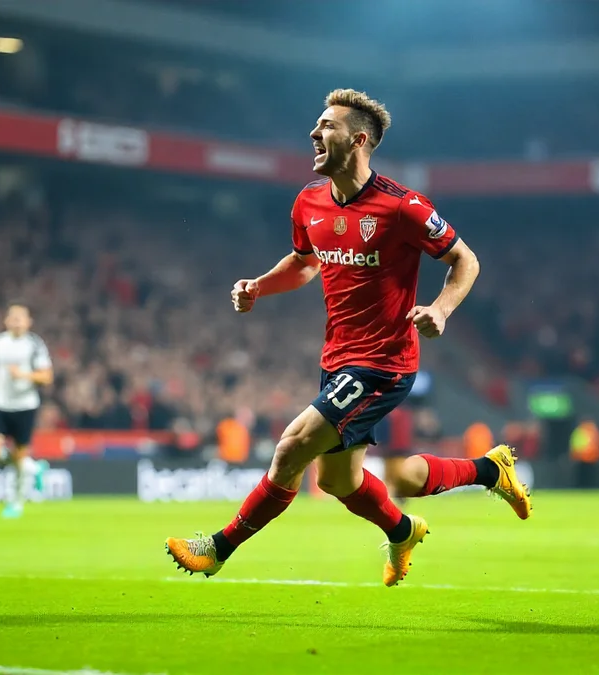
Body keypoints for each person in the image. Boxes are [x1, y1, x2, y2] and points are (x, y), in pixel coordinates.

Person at [165, 89, 531, 587]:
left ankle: (219, 547)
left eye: (326, 126)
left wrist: (442, 309)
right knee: (341, 481)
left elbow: (466, 260)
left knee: (291, 447)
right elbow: (303, 264)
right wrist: (258, 287)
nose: (314, 134)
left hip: (384, 363)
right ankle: (463, 489)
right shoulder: (309, 201)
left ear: (358, 139)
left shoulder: (404, 207)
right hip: (337, 359)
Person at [0, 303, 53, 519]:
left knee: (18, 455)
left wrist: (24, 375)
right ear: (6, 321)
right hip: (1, 405)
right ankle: (32, 468)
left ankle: (16, 504)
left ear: (29, 322)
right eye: (13, 317)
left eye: (21, 318)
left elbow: (46, 376)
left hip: (25, 406)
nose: (17, 321)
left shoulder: (35, 345)